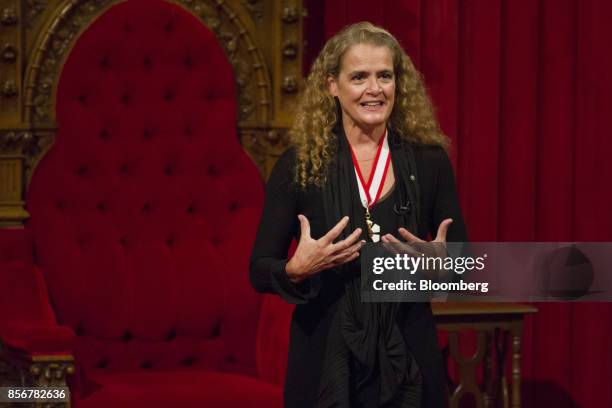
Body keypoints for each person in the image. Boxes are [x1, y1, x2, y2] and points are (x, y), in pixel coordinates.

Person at [250, 22, 468, 408]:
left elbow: (462, 259)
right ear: (332, 85)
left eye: (384, 75)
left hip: (410, 353)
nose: (374, 89)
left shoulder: (429, 161)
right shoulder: (299, 165)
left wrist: (446, 265)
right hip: (323, 356)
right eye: (359, 77)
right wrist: (294, 270)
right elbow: (258, 268)